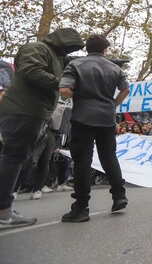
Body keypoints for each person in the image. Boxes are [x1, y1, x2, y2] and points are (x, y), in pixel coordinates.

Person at [0, 27, 84, 229]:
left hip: (33, 111)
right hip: (23, 110)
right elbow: (31, 70)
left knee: (15, 157)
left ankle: (4, 209)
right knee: (13, 157)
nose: (70, 51)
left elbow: (74, 65)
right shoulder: (38, 48)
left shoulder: (56, 56)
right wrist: (61, 84)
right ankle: (3, 211)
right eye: (70, 47)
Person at [58, 34, 130, 223]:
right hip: (107, 117)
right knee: (109, 156)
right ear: (105, 50)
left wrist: (77, 94)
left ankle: (81, 207)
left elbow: (65, 90)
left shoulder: (75, 65)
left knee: (83, 160)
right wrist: (113, 105)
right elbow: (126, 89)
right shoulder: (115, 68)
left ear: (87, 49)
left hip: (83, 117)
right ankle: (119, 195)